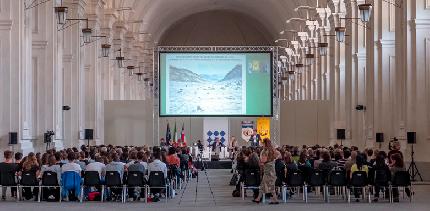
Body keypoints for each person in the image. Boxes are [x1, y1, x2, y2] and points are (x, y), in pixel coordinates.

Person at [252, 139, 279, 204]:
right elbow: (277, 156)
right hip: (272, 168)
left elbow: (263, 160)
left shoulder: (264, 151)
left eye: (262, 143)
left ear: (265, 143)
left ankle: (275, 199)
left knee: (269, 185)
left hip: (267, 169)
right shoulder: (272, 150)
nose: (261, 144)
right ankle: (258, 198)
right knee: (264, 184)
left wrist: (260, 161)